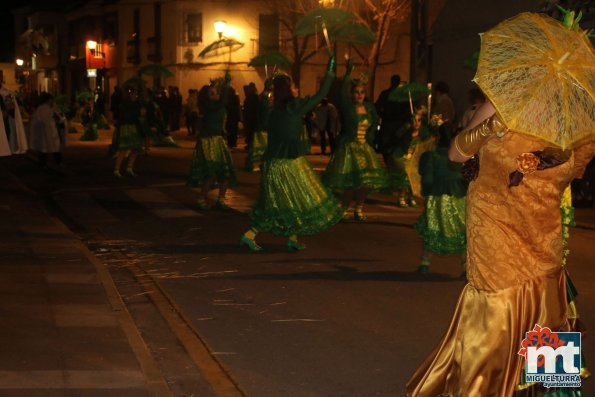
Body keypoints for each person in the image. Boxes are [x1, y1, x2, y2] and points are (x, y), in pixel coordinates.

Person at [406, 99, 595, 395]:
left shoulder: (575, 120)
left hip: (538, 234)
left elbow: (571, 171)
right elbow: (457, 153)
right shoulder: (510, 106)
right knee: (503, 309)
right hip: (497, 233)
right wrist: (493, 125)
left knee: (544, 306)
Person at [240, 54, 343, 252]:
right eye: (294, 86)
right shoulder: (294, 108)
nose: (297, 89)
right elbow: (321, 94)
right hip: (287, 164)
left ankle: (293, 238)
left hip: (275, 164)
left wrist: (267, 89)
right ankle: (249, 234)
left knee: (291, 201)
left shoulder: (271, 109)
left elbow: (263, 107)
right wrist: (330, 72)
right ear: (287, 90)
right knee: (280, 204)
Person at [323, 59, 388, 221]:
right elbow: (342, 92)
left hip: (364, 148)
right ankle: (343, 208)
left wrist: (372, 140)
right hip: (350, 148)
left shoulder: (369, 107)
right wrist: (347, 73)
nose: (359, 95)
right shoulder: (347, 106)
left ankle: (359, 208)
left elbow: (374, 124)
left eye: (362, 92)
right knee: (351, 182)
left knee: (366, 182)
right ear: (352, 94)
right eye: (356, 92)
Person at [414, 129, 468, 273]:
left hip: (437, 196)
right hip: (459, 195)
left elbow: (427, 177)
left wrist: (426, 191)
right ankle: (465, 266)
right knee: (461, 230)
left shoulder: (431, 156)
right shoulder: (463, 156)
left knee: (434, 227)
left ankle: (425, 263)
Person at [187, 72, 236, 210]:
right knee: (212, 173)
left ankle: (221, 199)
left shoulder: (219, 106)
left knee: (226, 172)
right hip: (207, 141)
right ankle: (201, 198)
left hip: (218, 140)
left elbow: (224, 104)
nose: (216, 95)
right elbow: (222, 101)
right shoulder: (209, 106)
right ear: (207, 97)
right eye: (212, 93)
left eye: (216, 92)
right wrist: (226, 85)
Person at [110, 88, 145, 178]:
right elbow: (124, 116)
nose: (135, 96)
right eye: (133, 94)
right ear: (129, 95)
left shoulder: (137, 104)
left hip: (134, 127)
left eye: (136, 95)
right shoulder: (125, 104)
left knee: (136, 149)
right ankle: (116, 169)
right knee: (124, 149)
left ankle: (129, 168)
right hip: (126, 127)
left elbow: (139, 116)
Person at [374, 74, 410, 156]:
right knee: (396, 147)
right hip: (398, 124)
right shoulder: (402, 96)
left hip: (387, 123)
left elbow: (377, 107)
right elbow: (407, 110)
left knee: (386, 147)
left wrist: (382, 114)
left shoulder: (385, 94)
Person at [28, 93, 63, 168]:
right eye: (51, 99)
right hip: (50, 132)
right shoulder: (50, 109)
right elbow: (60, 118)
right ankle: (57, 162)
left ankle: (43, 164)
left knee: (44, 149)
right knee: (54, 147)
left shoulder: (40, 109)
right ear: (48, 100)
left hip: (43, 133)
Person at [244, 79, 273, 172]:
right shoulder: (264, 97)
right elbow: (265, 112)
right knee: (260, 147)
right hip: (263, 127)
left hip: (264, 126)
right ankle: (256, 164)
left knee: (262, 146)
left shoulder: (263, 96)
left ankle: (262, 163)